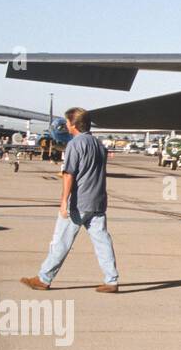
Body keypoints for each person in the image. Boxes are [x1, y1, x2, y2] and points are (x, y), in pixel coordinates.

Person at [19, 107, 119, 293]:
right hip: (98, 201)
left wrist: (64, 201)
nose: (66, 125)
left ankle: (44, 278)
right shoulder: (98, 145)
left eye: (67, 122)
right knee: (103, 242)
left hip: (79, 202)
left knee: (61, 241)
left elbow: (69, 175)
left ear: (73, 124)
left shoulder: (75, 144)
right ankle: (111, 280)